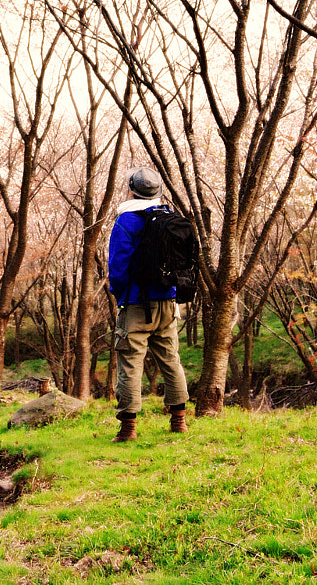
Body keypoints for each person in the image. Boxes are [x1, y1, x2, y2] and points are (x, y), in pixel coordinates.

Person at [106, 166, 190, 441]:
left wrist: (120, 296)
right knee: (171, 360)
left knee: (130, 362)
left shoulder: (126, 221)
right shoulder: (168, 218)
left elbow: (118, 266)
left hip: (136, 303)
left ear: (131, 190)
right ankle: (179, 422)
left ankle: (128, 429)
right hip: (168, 301)